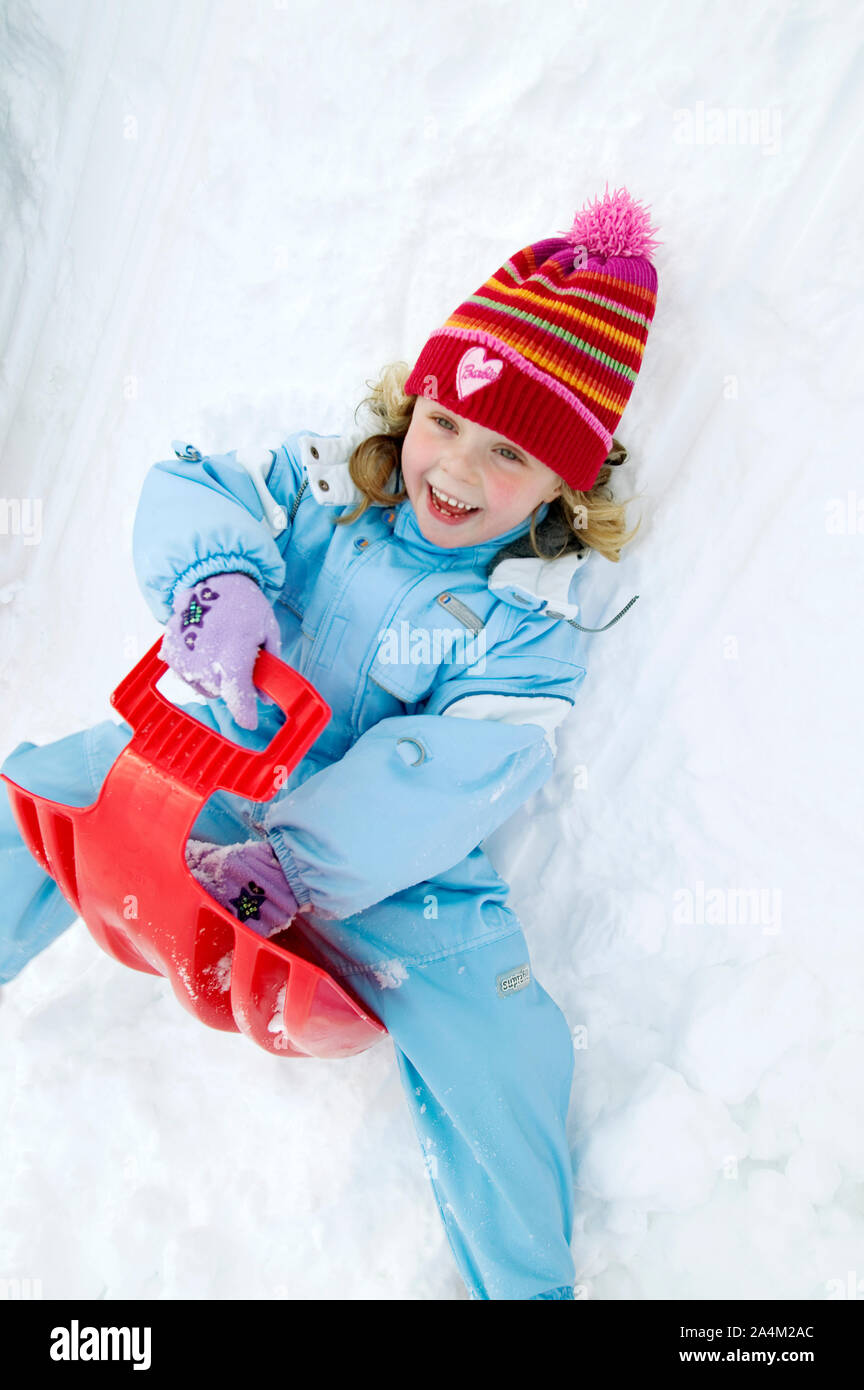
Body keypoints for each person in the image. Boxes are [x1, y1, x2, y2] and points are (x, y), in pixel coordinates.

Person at [0, 184, 661, 1300]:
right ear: (412, 408)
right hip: (217, 760)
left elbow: (449, 775)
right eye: (445, 421)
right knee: (48, 790)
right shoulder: (322, 490)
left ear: (566, 481)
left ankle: (527, 1283)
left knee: (498, 1037)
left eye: (507, 454)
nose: (453, 470)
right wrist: (217, 579)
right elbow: (192, 485)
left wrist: (302, 863)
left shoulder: (529, 625)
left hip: (380, 868)